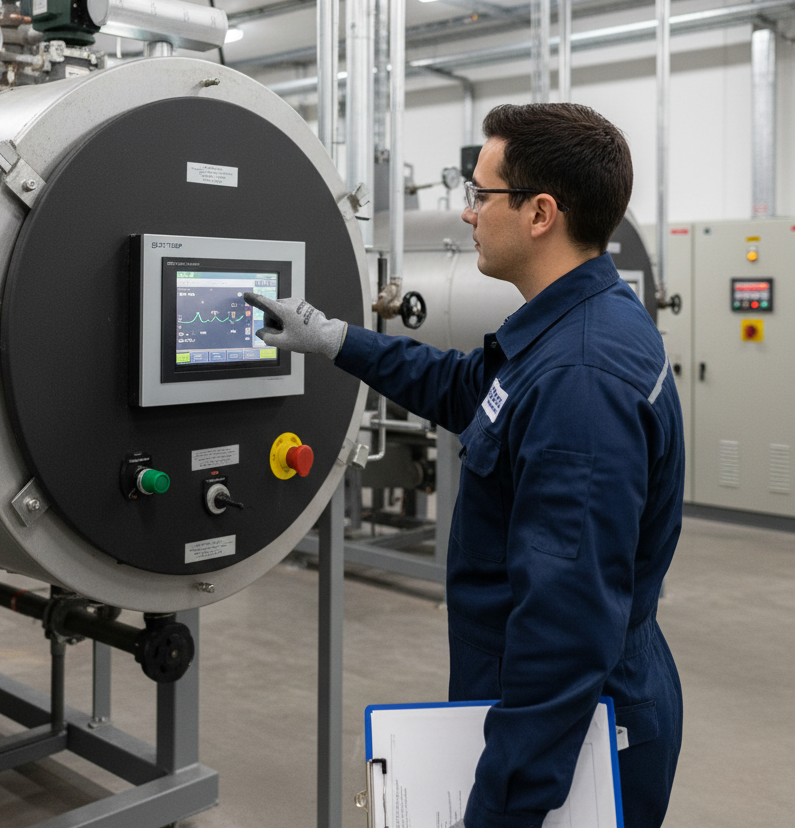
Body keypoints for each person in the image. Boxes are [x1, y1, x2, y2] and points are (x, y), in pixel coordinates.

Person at [245, 103, 684, 828]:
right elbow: (466, 389)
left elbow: (565, 635)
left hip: (579, 722)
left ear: (540, 213)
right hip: (565, 690)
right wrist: (335, 340)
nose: (467, 213)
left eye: (481, 194)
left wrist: (497, 809)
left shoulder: (580, 378)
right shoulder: (573, 325)